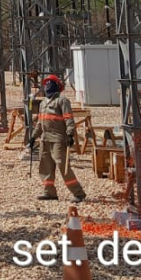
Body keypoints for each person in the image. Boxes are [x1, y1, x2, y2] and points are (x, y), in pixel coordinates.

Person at [32, 73, 85, 202]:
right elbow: (40, 123)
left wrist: (70, 134)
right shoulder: (43, 103)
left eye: (50, 83)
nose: (47, 85)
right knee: (45, 166)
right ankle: (49, 192)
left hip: (58, 139)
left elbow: (69, 119)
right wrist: (33, 137)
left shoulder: (62, 101)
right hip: (45, 139)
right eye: (46, 83)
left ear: (57, 86)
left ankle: (78, 193)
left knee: (63, 165)